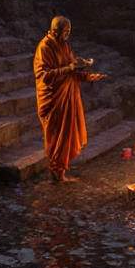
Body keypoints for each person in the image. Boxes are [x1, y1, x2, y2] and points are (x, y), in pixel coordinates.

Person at [34, 16, 106, 183]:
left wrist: (87, 76)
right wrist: (70, 68)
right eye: (65, 31)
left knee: (66, 136)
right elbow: (44, 76)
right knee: (56, 138)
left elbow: (71, 71)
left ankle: (61, 173)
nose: (67, 35)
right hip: (53, 100)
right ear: (55, 31)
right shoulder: (45, 47)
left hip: (67, 96)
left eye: (69, 31)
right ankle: (55, 174)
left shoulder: (63, 45)